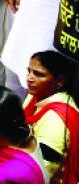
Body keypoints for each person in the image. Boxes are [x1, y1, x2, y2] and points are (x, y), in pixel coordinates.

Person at [23, 51, 78, 182]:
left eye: (38, 74)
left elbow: (43, 170)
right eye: (29, 71)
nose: (29, 78)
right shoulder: (34, 96)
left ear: (59, 81)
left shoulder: (56, 120)